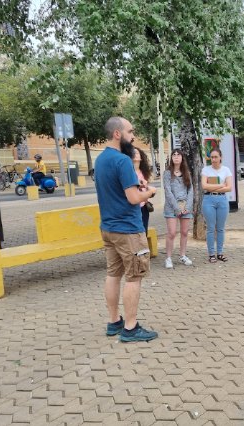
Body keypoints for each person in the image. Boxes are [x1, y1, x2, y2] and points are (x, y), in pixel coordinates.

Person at [94, 117, 158, 343]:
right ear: (117, 134)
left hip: (108, 228)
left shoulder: (101, 160)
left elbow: (116, 189)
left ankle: (114, 322)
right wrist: (149, 192)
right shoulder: (122, 161)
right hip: (128, 230)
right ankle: (130, 328)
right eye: (130, 131)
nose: (133, 136)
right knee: (134, 277)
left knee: (113, 274)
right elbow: (133, 198)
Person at [163, 148, 194, 269]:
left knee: (185, 232)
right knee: (171, 233)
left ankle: (183, 255)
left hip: (185, 206)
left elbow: (191, 190)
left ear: (182, 158)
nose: (176, 157)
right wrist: (176, 208)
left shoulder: (187, 173)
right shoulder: (167, 173)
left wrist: (188, 206)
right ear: (171, 158)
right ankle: (168, 258)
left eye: (178, 155)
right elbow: (168, 191)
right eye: (174, 155)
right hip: (172, 207)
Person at [201, 148, 233, 263]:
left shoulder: (226, 170)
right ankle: (211, 254)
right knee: (210, 228)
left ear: (220, 157)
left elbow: (229, 187)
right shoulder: (206, 170)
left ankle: (219, 252)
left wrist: (213, 186)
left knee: (220, 228)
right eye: (212, 157)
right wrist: (220, 185)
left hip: (222, 200)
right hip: (209, 199)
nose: (213, 159)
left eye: (216, 157)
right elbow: (204, 186)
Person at [131, 147, 153, 235]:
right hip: (133, 207)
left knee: (144, 232)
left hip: (143, 206)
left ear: (140, 157)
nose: (134, 154)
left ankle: (144, 248)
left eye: (136, 152)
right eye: (132, 152)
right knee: (135, 234)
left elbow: (147, 189)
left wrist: (147, 187)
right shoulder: (128, 171)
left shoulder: (144, 172)